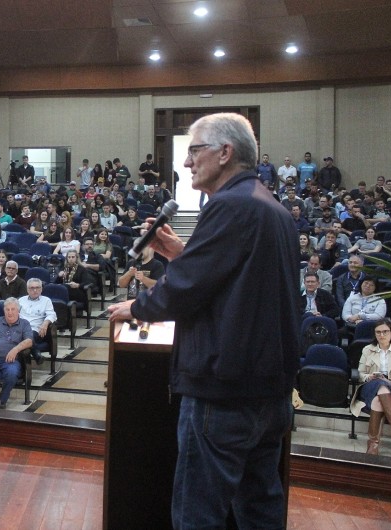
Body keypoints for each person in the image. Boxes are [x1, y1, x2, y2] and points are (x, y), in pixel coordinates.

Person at [107, 113, 299, 529]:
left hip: (223, 392)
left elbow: (185, 291)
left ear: (225, 153)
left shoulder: (228, 206)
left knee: (198, 513)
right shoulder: (270, 208)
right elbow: (234, 282)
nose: (187, 163)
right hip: (267, 392)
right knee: (259, 506)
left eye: (195, 151)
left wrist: (135, 308)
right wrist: (180, 254)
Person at [350, 318, 391, 455]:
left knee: (379, 399)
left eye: (385, 332)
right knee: (380, 384)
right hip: (370, 388)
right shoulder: (368, 350)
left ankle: (373, 444)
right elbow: (360, 374)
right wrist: (370, 377)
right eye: (378, 332)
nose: (381, 335)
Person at [18, 278, 57, 365]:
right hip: (20, 328)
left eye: (37, 287)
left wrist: (45, 323)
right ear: (27, 289)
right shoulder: (21, 300)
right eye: (32, 288)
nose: (35, 290)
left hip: (36, 330)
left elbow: (52, 315)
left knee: (27, 335)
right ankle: (36, 354)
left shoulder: (46, 300)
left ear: (41, 289)